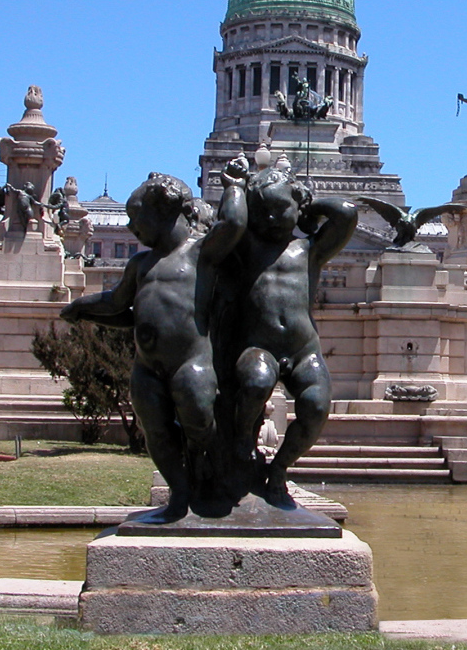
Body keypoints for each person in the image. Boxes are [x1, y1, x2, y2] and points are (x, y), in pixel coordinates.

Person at [59, 159, 248, 518]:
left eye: (136, 218)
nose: (131, 227)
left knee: (199, 421)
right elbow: (119, 307)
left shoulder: (200, 253)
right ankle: (178, 493)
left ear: (165, 213)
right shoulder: (140, 265)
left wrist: (234, 185)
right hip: (146, 368)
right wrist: (82, 307)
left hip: (191, 362)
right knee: (156, 432)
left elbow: (234, 223)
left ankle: (211, 473)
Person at [225, 167, 358, 505]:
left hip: (302, 349)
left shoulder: (309, 250)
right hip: (258, 345)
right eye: (263, 211)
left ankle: (280, 467)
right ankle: (241, 442)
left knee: (316, 406)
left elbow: (346, 213)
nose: (270, 217)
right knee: (256, 382)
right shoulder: (245, 246)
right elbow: (231, 223)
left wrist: (306, 204)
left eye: (278, 208)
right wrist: (236, 187)